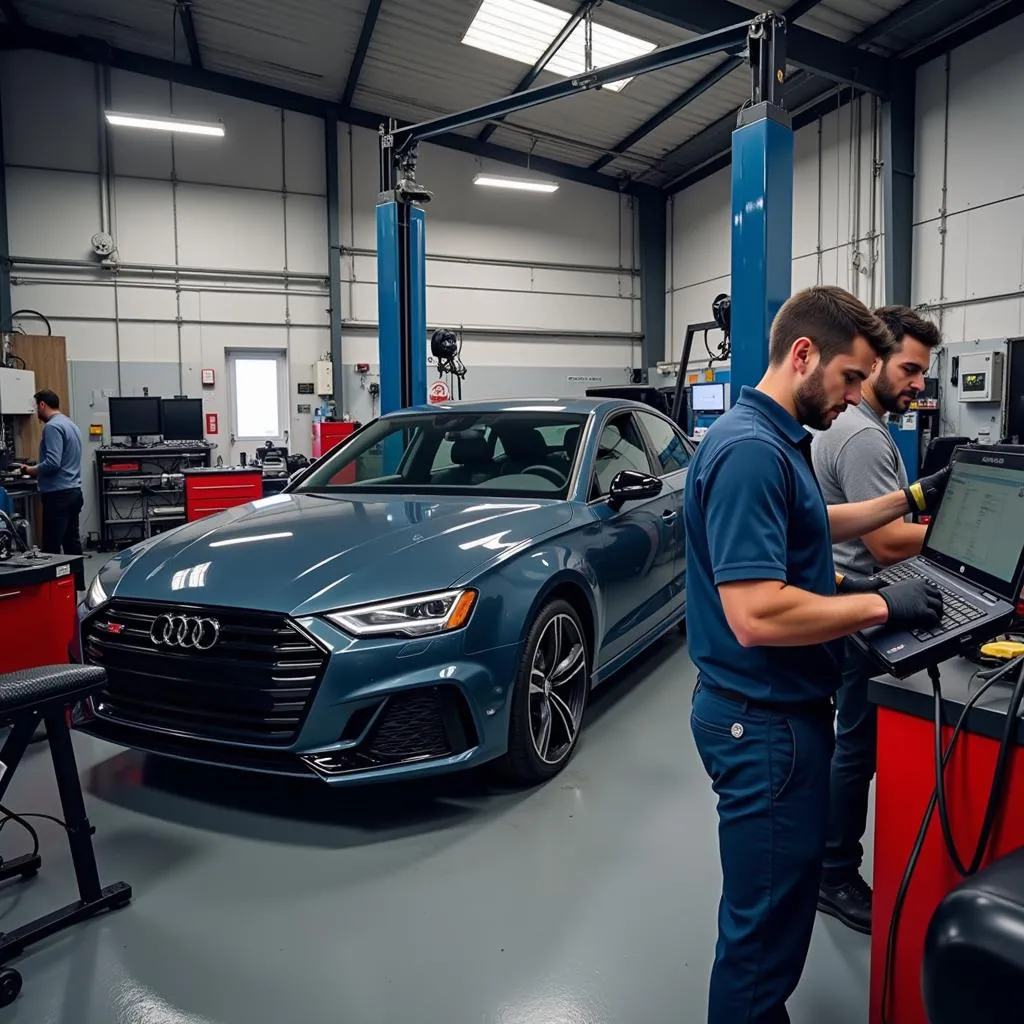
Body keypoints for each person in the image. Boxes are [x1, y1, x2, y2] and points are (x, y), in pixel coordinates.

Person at [684, 285, 950, 1024]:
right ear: (804, 355)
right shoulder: (747, 452)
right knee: (762, 942)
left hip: (771, 713)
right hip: (762, 724)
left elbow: (814, 519)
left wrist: (911, 497)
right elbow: (756, 613)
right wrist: (880, 604)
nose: (857, 396)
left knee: (774, 917)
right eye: (851, 378)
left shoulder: (770, 440)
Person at [811, 306, 943, 935]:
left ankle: (829, 862)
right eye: (910, 368)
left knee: (848, 744)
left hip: (854, 600)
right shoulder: (862, 435)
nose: (918, 383)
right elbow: (889, 543)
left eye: (924, 371)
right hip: (865, 609)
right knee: (855, 747)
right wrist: (951, 533)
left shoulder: (857, 426)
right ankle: (835, 873)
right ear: (877, 362)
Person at [14, 389, 84, 557]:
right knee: (72, 546)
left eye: (37, 408)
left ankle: (53, 583)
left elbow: (53, 463)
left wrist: (31, 470)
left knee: (52, 548)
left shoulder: (52, 427)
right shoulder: (71, 425)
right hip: (74, 492)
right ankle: (78, 583)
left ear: (43, 405)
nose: (37, 413)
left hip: (58, 495)